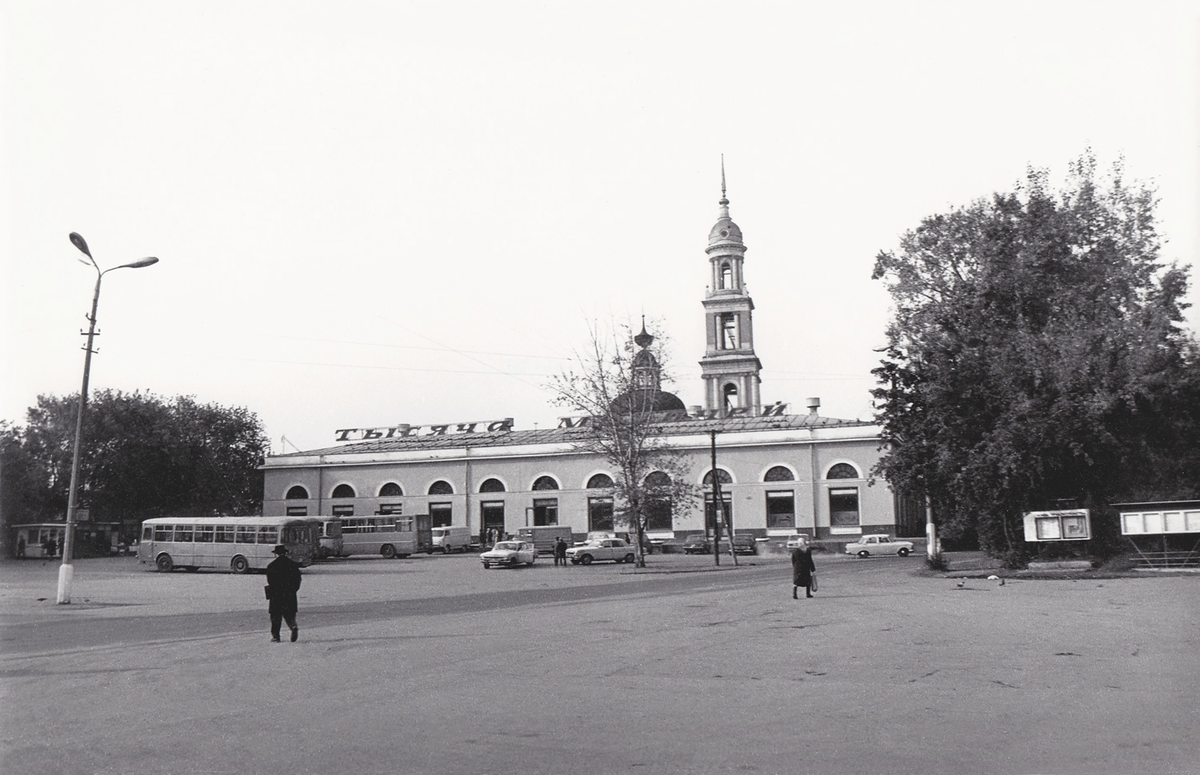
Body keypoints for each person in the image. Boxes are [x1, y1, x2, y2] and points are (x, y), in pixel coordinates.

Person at [265, 545, 302, 642]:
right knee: (290, 615)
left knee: (275, 617)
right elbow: (297, 580)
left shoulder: (271, 566)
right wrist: (292, 590)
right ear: (285, 553)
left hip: (276, 595)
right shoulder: (293, 565)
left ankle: (276, 636)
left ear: (276, 554)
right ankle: (293, 626)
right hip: (289, 594)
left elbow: (270, 581)